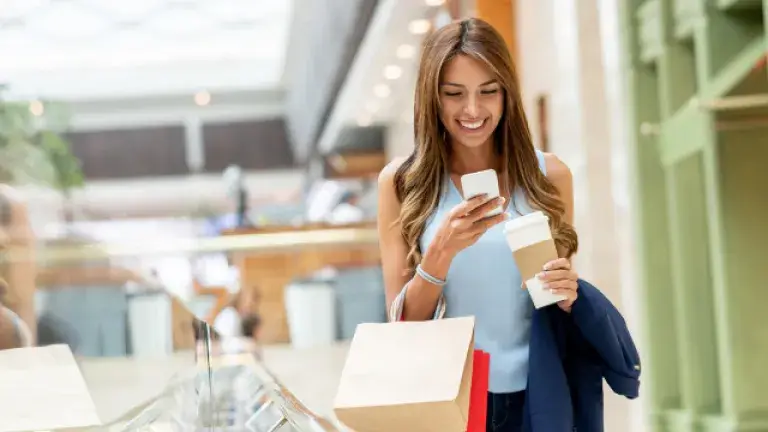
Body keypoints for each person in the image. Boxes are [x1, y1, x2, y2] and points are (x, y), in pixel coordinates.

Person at [377, 19, 579, 431]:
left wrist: (569, 290)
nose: (472, 110)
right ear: (433, 99)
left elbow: (559, 305)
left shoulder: (549, 176)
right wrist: (440, 253)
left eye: (488, 91)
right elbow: (402, 326)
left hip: (538, 394)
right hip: (452, 399)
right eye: (454, 94)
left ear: (507, 94)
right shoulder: (401, 183)